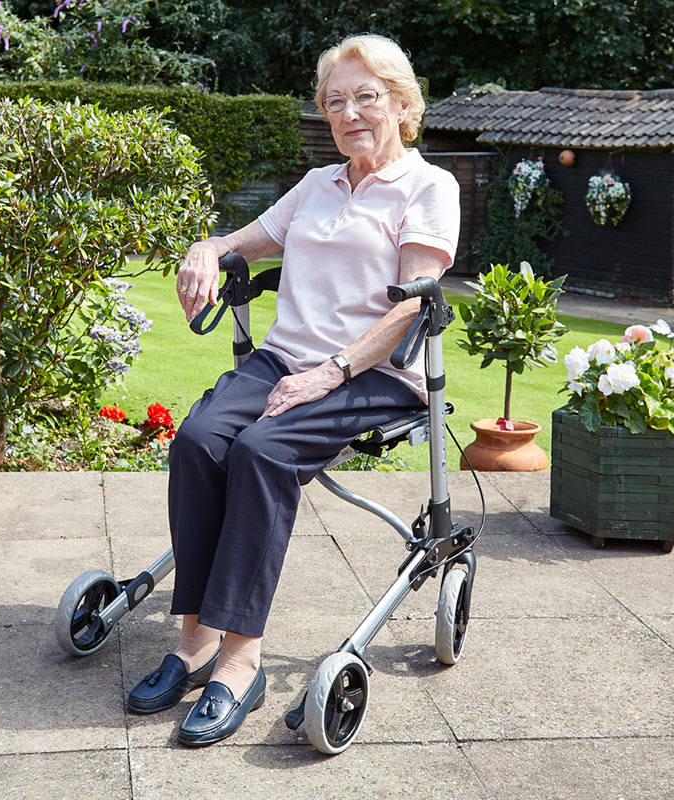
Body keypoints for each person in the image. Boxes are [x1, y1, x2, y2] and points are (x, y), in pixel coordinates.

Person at [126, 33, 460, 747]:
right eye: (335, 101)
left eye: (365, 97)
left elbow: (412, 303)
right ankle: (194, 642)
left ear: (403, 104)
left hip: (370, 374)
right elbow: (240, 241)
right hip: (283, 360)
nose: (349, 113)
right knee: (198, 441)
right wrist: (204, 249)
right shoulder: (319, 184)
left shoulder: (429, 187)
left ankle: (240, 663)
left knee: (261, 454)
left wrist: (332, 370)